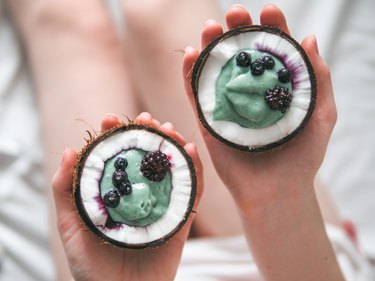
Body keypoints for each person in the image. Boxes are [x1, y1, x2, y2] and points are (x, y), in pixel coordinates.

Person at [50, 4, 374, 281]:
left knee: (66, 24)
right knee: (157, 9)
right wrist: (279, 197)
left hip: (121, 262)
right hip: (302, 258)